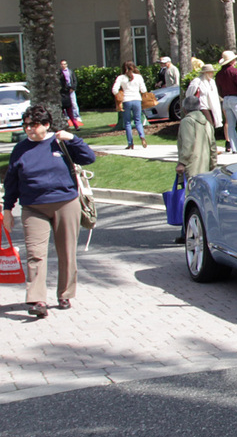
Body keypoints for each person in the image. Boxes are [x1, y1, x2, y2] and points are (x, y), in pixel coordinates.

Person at [3, 105, 95, 318]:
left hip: (65, 203)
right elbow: (11, 182)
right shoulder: (20, 149)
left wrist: (73, 139)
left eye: (33, 125)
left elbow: (89, 158)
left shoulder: (60, 143)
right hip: (33, 207)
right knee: (35, 254)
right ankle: (37, 300)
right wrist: (8, 209)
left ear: (46, 125)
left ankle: (65, 293)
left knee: (67, 252)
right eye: (25, 125)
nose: (28, 129)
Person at [172, 91, 218, 244]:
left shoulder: (187, 122)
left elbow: (187, 144)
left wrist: (182, 163)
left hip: (193, 165)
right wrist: (213, 165)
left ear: (185, 109)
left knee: (189, 199)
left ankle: (188, 232)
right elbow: (213, 146)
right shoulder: (206, 122)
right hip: (205, 166)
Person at [112, 61, 149, 149]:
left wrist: (119, 94)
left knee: (127, 123)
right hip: (137, 99)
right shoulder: (138, 77)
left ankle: (130, 143)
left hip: (126, 101)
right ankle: (142, 137)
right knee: (138, 121)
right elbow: (143, 90)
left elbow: (114, 89)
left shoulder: (121, 78)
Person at [184, 61, 223, 135]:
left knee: (211, 126)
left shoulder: (212, 82)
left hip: (212, 106)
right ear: (205, 73)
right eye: (210, 72)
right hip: (202, 106)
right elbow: (189, 94)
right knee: (209, 125)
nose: (212, 74)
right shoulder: (197, 81)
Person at [58, 60, 81, 129]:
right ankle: (69, 122)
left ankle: (77, 117)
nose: (63, 65)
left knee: (74, 103)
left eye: (64, 64)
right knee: (66, 110)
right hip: (64, 93)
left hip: (70, 90)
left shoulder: (70, 72)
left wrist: (73, 88)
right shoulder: (60, 73)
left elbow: (74, 80)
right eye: (62, 64)